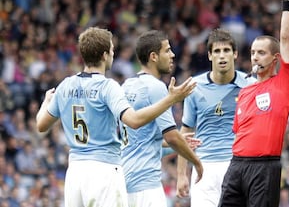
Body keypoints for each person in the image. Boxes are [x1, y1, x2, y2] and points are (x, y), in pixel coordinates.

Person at [36, 27, 196, 207]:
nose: (113, 54)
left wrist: (45, 103)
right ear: (105, 55)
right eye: (112, 50)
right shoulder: (107, 87)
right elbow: (134, 121)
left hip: (75, 172)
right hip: (103, 171)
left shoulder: (65, 85)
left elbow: (41, 125)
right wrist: (170, 100)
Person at [218, 0, 289, 207]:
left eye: (261, 52)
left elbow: (285, 37)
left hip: (265, 167)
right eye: (253, 52)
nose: (255, 56)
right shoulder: (244, 92)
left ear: (275, 58)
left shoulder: (284, 82)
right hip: (236, 165)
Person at [120, 30, 203, 207]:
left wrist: (180, 143)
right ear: (153, 56)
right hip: (146, 185)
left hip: (124, 182)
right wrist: (197, 163)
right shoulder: (156, 87)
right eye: (167, 50)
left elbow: (143, 140)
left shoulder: (127, 86)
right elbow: (172, 136)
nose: (172, 55)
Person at [176, 28, 256, 207]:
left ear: (234, 54)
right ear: (210, 56)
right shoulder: (194, 87)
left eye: (226, 50)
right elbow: (186, 132)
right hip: (203, 167)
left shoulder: (250, 85)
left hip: (238, 164)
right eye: (217, 51)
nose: (222, 56)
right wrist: (181, 175)